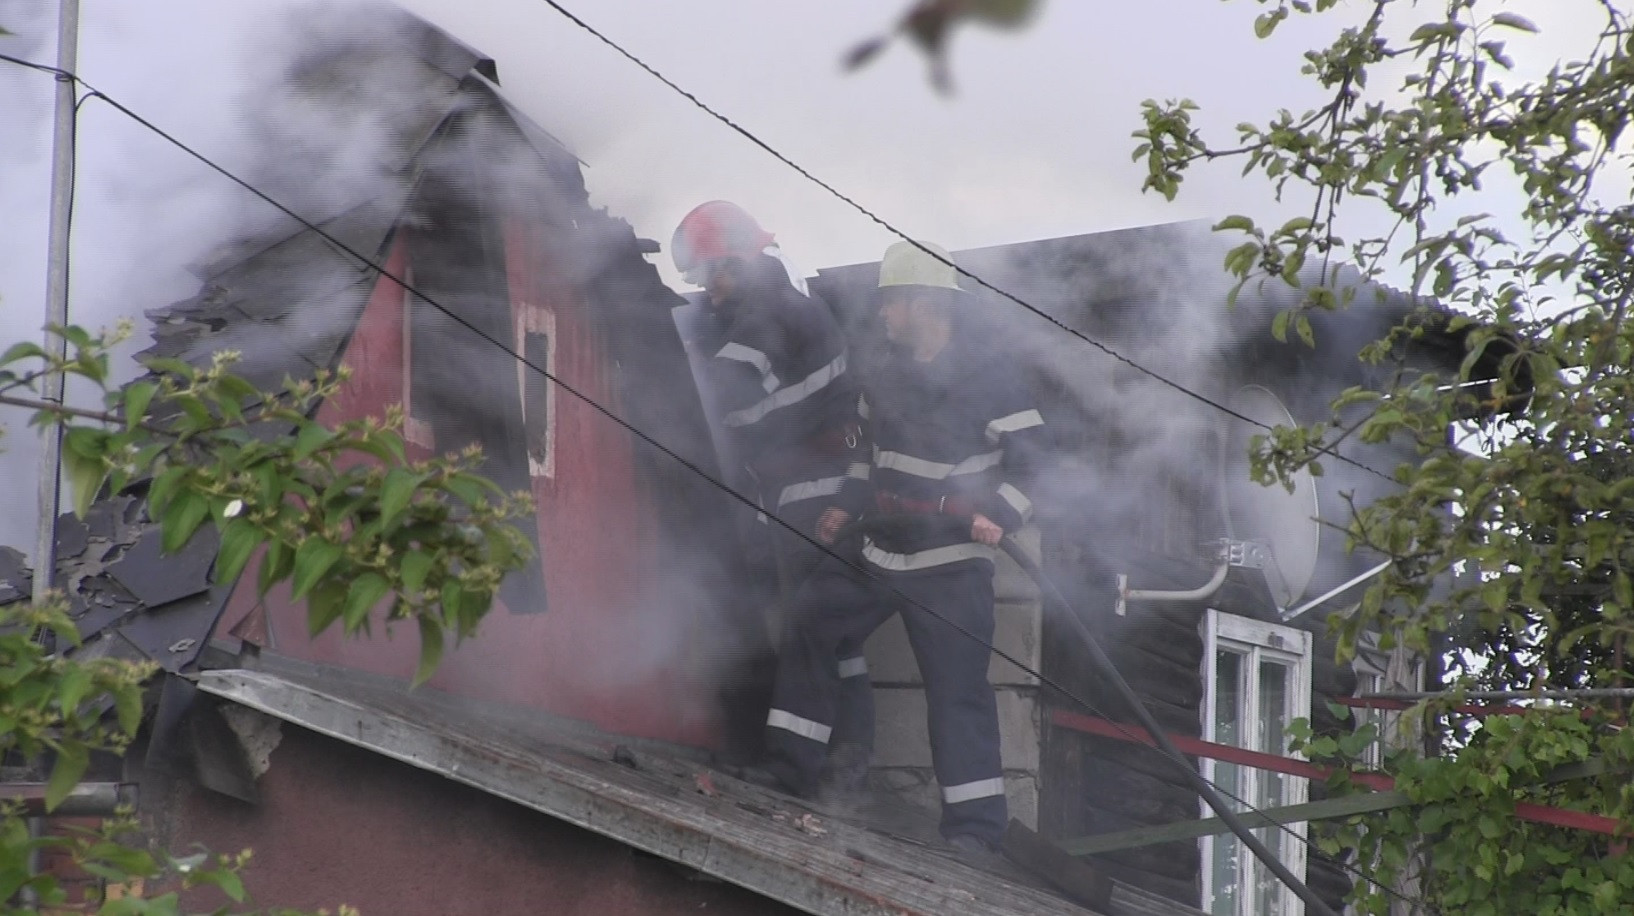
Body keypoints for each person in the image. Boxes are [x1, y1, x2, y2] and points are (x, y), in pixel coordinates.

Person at [752, 240, 1048, 853]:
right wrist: (845, 505)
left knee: (956, 690)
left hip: (949, 562)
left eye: (890, 303)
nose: (882, 315)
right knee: (812, 619)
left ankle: (974, 832)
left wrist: (1000, 514)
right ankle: (792, 771)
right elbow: (869, 456)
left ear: (924, 304)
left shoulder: (992, 380)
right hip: (880, 548)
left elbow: (1038, 465)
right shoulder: (881, 374)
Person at [670, 201, 875, 783]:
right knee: (833, 634)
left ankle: (801, 764)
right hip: (807, 486)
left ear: (734, 262)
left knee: (813, 625)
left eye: (710, 277)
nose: (709, 294)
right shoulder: (786, 305)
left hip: (816, 489)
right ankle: (850, 755)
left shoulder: (766, 312)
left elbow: (720, 392)